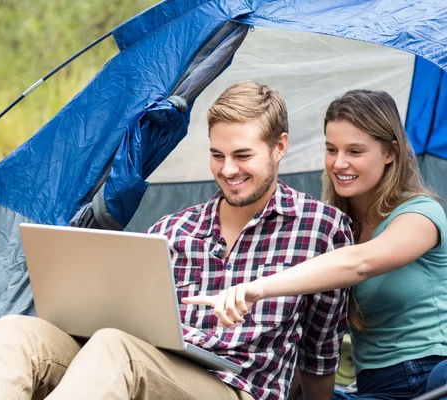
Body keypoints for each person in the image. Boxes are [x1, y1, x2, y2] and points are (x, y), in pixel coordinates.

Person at [0, 81, 353, 400]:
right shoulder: (173, 230)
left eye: (242, 156)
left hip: (234, 387)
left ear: (280, 147)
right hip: (145, 363)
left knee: (115, 348)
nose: (228, 170)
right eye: (217, 155)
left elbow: (320, 354)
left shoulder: (321, 229)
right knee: (18, 331)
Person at [183, 89, 447, 399]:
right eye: (332, 149)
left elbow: (360, 263)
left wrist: (257, 288)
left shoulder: (421, 214)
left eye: (355, 151)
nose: (339, 163)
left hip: (428, 377)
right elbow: (312, 339)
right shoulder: (337, 225)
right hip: (370, 388)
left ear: (390, 152)